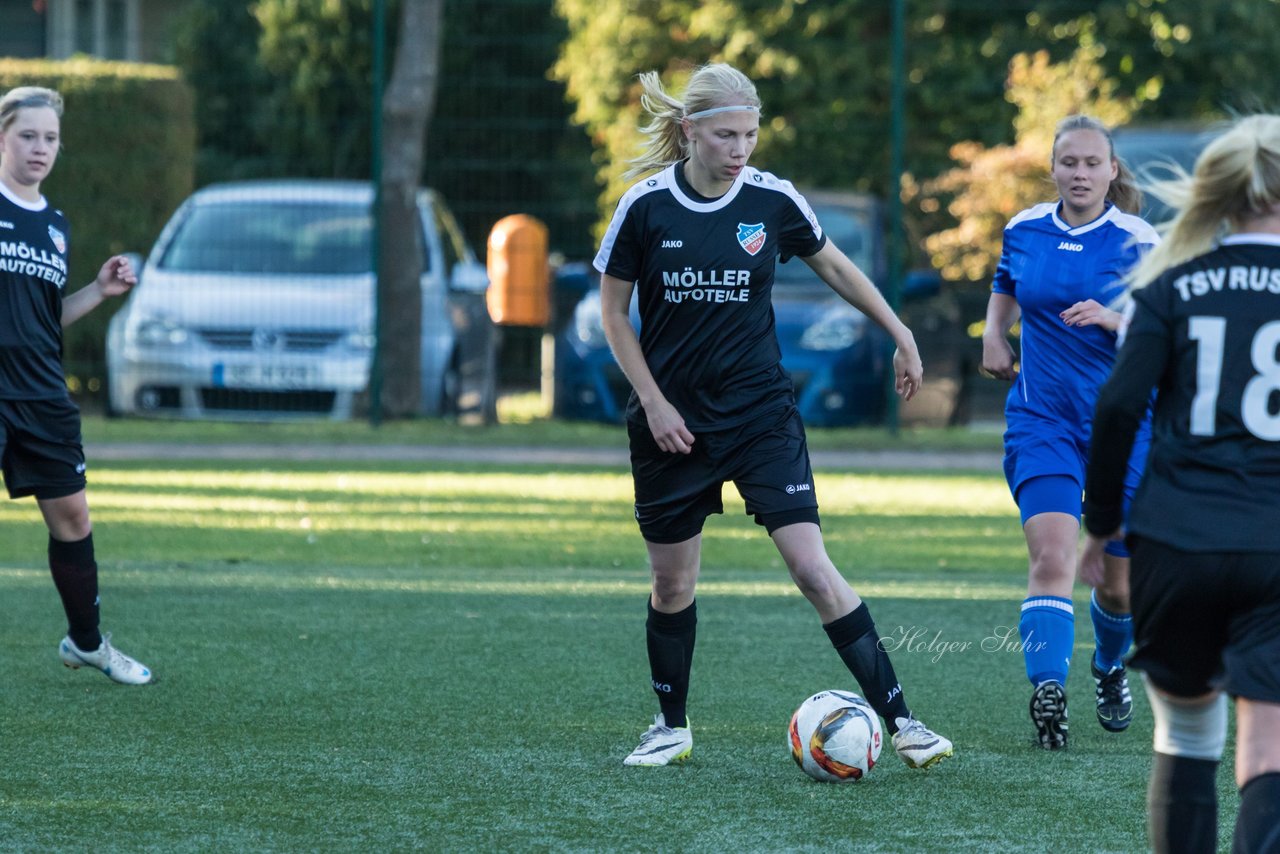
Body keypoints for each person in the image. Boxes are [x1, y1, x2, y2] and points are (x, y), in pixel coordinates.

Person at [592, 63, 952, 769]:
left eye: (750, 134)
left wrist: (901, 334)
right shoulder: (644, 207)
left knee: (813, 569)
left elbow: (839, 268)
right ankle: (671, 726)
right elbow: (611, 312)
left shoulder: (772, 200)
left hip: (760, 415)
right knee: (672, 583)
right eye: (726, 134)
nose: (741, 149)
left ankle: (906, 724)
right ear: (691, 131)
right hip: (672, 424)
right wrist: (656, 403)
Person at [1080, 113, 1280, 854]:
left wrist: (1101, 523)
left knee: (1189, 733)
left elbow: (1120, 404)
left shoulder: (1170, 283)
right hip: (1274, 542)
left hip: (1175, 538)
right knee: (1266, 753)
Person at [981, 115, 1159, 749]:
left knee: (1118, 584)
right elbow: (1006, 284)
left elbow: (1168, 332)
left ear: (1113, 171)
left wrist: (1113, 319)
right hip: (1041, 420)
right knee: (1052, 556)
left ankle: (1109, 667)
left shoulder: (1139, 239)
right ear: (1053, 169)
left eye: (1092, 163)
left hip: (1124, 428)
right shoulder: (1024, 229)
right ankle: (1047, 689)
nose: (1080, 173)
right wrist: (993, 331)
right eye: (1069, 163)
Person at [0, 85, 151, 684]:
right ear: (2, 139)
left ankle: (86, 644)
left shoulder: (56, 226)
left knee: (72, 521)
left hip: (40, 393)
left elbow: (41, 318)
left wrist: (97, 292)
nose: (40, 148)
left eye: (51, 138)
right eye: (27, 136)